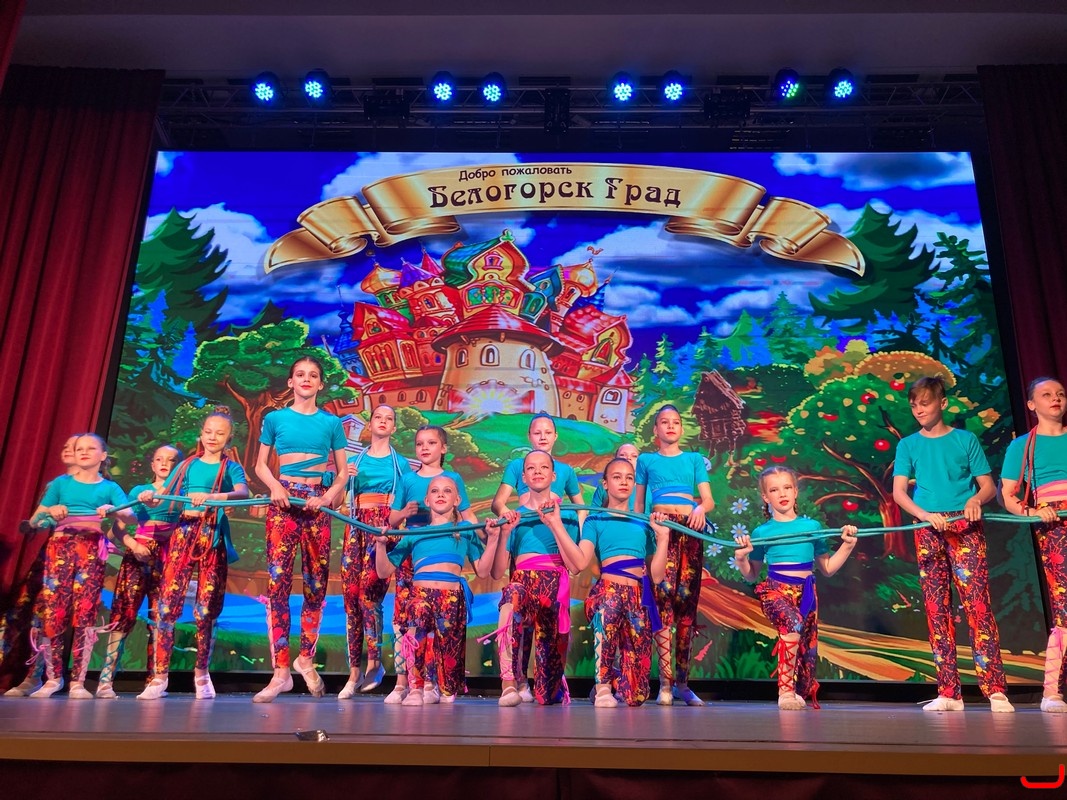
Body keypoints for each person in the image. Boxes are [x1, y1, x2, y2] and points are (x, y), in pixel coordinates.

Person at [892, 376, 1013, 712]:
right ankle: (948, 692)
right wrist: (924, 515)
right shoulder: (908, 445)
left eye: (925, 403)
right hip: (927, 527)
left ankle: (994, 689)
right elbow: (899, 492)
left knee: (977, 604)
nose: (919, 410)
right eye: (914, 405)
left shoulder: (965, 439)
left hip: (964, 525)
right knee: (936, 608)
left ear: (942, 403)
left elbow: (988, 486)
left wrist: (975, 500)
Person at [252, 356, 349, 704]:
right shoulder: (275, 418)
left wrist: (327, 497)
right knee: (278, 584)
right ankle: (280, 672)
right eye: (300, 374)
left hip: (316, 505)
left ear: (321, 384)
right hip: (283, 504)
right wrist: (275, 487)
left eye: (313, 375)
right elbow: (260, 465)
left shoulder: (332, 423)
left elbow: (343, 473)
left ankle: (305, 657)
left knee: (316, 585)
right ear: (291, 381)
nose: (306, 379)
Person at [137, 406, 249, 701]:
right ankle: (160, 677)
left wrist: (212, 496)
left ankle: (201, 674)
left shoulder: (230, 467)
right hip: (183, 533)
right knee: (167, 604)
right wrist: (149, 497)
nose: (213, 437)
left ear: (228, 438)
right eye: (208, 432)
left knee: (206, 608)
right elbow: (165, 496)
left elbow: (243, 493)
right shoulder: (186, 465)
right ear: (201, 434)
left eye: (220, 433)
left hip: (211, 536)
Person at [733, 466, 857, 709]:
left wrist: (848, 545)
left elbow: (827, 568)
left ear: (796, 491)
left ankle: (798, 690)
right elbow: (751, 574)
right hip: (775, 591)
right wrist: (741, 558)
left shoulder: (812, 527)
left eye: (787, 487)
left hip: (806, 593)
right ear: (765, 497)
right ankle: (785, 692)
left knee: (807, 656)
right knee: (792, 626)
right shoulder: (761, 532)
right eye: (774, 490)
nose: (782, 493)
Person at [374, 475, 506, 704]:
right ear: (427, 500)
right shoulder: (414, 533)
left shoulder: (465, 529)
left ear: (457, 500)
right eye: (435, 491)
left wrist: (493, 540)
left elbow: (483, 571)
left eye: (447, 491)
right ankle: (415, 688)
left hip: (451, 599)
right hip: (421, 596)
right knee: (417, 618)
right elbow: (384, 571)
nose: (441, 495)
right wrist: (380, 545)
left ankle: (441, 687)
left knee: (448, 681)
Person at [26, 433, 137, 699]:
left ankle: (78, 681)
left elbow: (131, 517)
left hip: (90, 550)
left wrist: (113, 509)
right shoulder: (60, 484)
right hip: (60, 548)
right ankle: (53, 678)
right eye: (79, 449)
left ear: (103, 456)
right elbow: (34, 521)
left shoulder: (109, 488)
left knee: (85, 612)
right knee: (54, 611)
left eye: (91, 448)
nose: (84, 452)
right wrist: (51, 511)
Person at [555, 457, 671, 707]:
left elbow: (657, 576)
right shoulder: (596, 521)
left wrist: (662, 538)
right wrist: (556, 525)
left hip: (637, 596)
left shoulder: (644, 522)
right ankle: (603, 687)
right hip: (608, 591)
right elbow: (580, 561)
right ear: (605, 484)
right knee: (607, 615)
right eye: (617, 477)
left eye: (629, 478)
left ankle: (618, 682)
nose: (624, 482)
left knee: (637, 697)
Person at [491, 413, 585, 701]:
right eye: (531, 468)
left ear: (554, 476)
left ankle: (547, 683)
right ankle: (510, 682)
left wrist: (559, 524)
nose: (537, 472)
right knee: (511, 598)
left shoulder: (566, 516)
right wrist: (504, 531)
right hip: (523, 578)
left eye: (544, 468)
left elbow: (577, 566)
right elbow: (496, 572)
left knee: (547, 695)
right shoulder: (516, 519)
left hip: (554, 584)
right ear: (524, 476)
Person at [385, 425, 479, 704]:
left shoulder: (452, 478)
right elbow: (392, 519)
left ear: (443, 448)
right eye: (419, 443)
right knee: (406, 620)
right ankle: (403, 682)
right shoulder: (408, 480)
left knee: (438, 622)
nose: (425, 448)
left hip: (441, 550)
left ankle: (431, 682)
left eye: (431, 443)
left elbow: (467, 514)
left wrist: (486, 533)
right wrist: (405, 512)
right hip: (412, 552)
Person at [634, 404, 715, 706]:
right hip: (662, 530)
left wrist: (699, 508)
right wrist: (648, 531)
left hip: (690, 531)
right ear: (655, 429)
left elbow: (708, 500)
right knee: (664, 602)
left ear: (681, 428)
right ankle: (665, 683)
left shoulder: (693, 459)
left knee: (686, 605)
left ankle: (682, 682)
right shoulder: (646, 460)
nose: (670, 426)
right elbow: (638, 505)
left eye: (676, 422)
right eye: (664, 422)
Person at [999, 376, 1067, 713]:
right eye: (1046, 394)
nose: (1056, 398)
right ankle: (1052, 691)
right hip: (1054, 526)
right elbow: (1008, 495)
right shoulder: (1022, 446)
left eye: (1060, 393)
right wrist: (1033, 512)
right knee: (1065, 607)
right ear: (1031, 404)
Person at [96, 444, 182, 699]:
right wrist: (134, 545)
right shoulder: (138, 491)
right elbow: (118, 528)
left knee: (162, 618)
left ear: (179, 466)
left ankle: (155, 681)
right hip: (139, 554)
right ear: (152, 465)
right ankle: (105, 680)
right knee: (123, 613)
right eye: (159, 459)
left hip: (168, 557)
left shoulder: (183, 494)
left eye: (171, 460)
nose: (164, 463)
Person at [3, 435, 79, 697]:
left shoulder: (102, 486)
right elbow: (39, 521)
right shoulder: (56, 485)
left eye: (76, 447)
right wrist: (42, 519)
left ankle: (50, 676)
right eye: (67, 446)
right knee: (26, 611)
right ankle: (30, 675)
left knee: (56, 616)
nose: (69, 450)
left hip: (81, 558)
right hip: (49, 556)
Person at [340, 403, 406, 698]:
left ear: (394, 427)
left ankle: (374, 663)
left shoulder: (399, 463)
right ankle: (353, 670)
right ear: (370, 424)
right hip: (355, 529)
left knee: (369, 594)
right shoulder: (354, 460)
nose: (382, 421)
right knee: (351, 597)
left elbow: (406, 500)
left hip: (382, 530)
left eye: (388, 418)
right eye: (378, 417)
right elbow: (338, 501)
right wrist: (344, 478)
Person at [591, 443, 641, 511]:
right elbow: (593, 513)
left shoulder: (648, 490)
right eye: (622, 455)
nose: (628, 458)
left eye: (634, 456)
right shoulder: (604, 487)